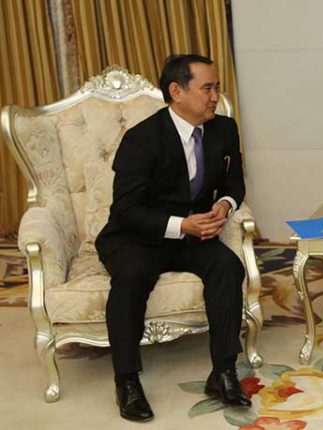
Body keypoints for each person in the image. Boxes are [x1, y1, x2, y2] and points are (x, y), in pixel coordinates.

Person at [95, 54, 250, 422]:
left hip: (193, 234)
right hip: (138, 235)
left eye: (217, 88)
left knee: (228, 267)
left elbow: (235, 182)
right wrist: (182, 225)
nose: (215, 96)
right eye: (207, 88)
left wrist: (225, 205)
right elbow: (126, 210)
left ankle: (223, 371)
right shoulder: (141, 139)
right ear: (177, 91)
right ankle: (127, 380)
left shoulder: (224, 129)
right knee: (131, 276)